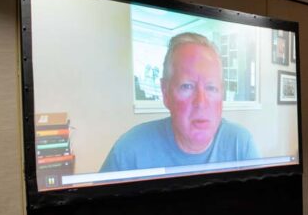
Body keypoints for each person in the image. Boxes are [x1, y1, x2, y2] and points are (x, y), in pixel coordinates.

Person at [101, 32, 260, 172]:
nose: (201, 102)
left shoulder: (241, 145)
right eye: (187, 86)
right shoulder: (129, 151)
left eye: (211, 88)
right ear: (166, 93)